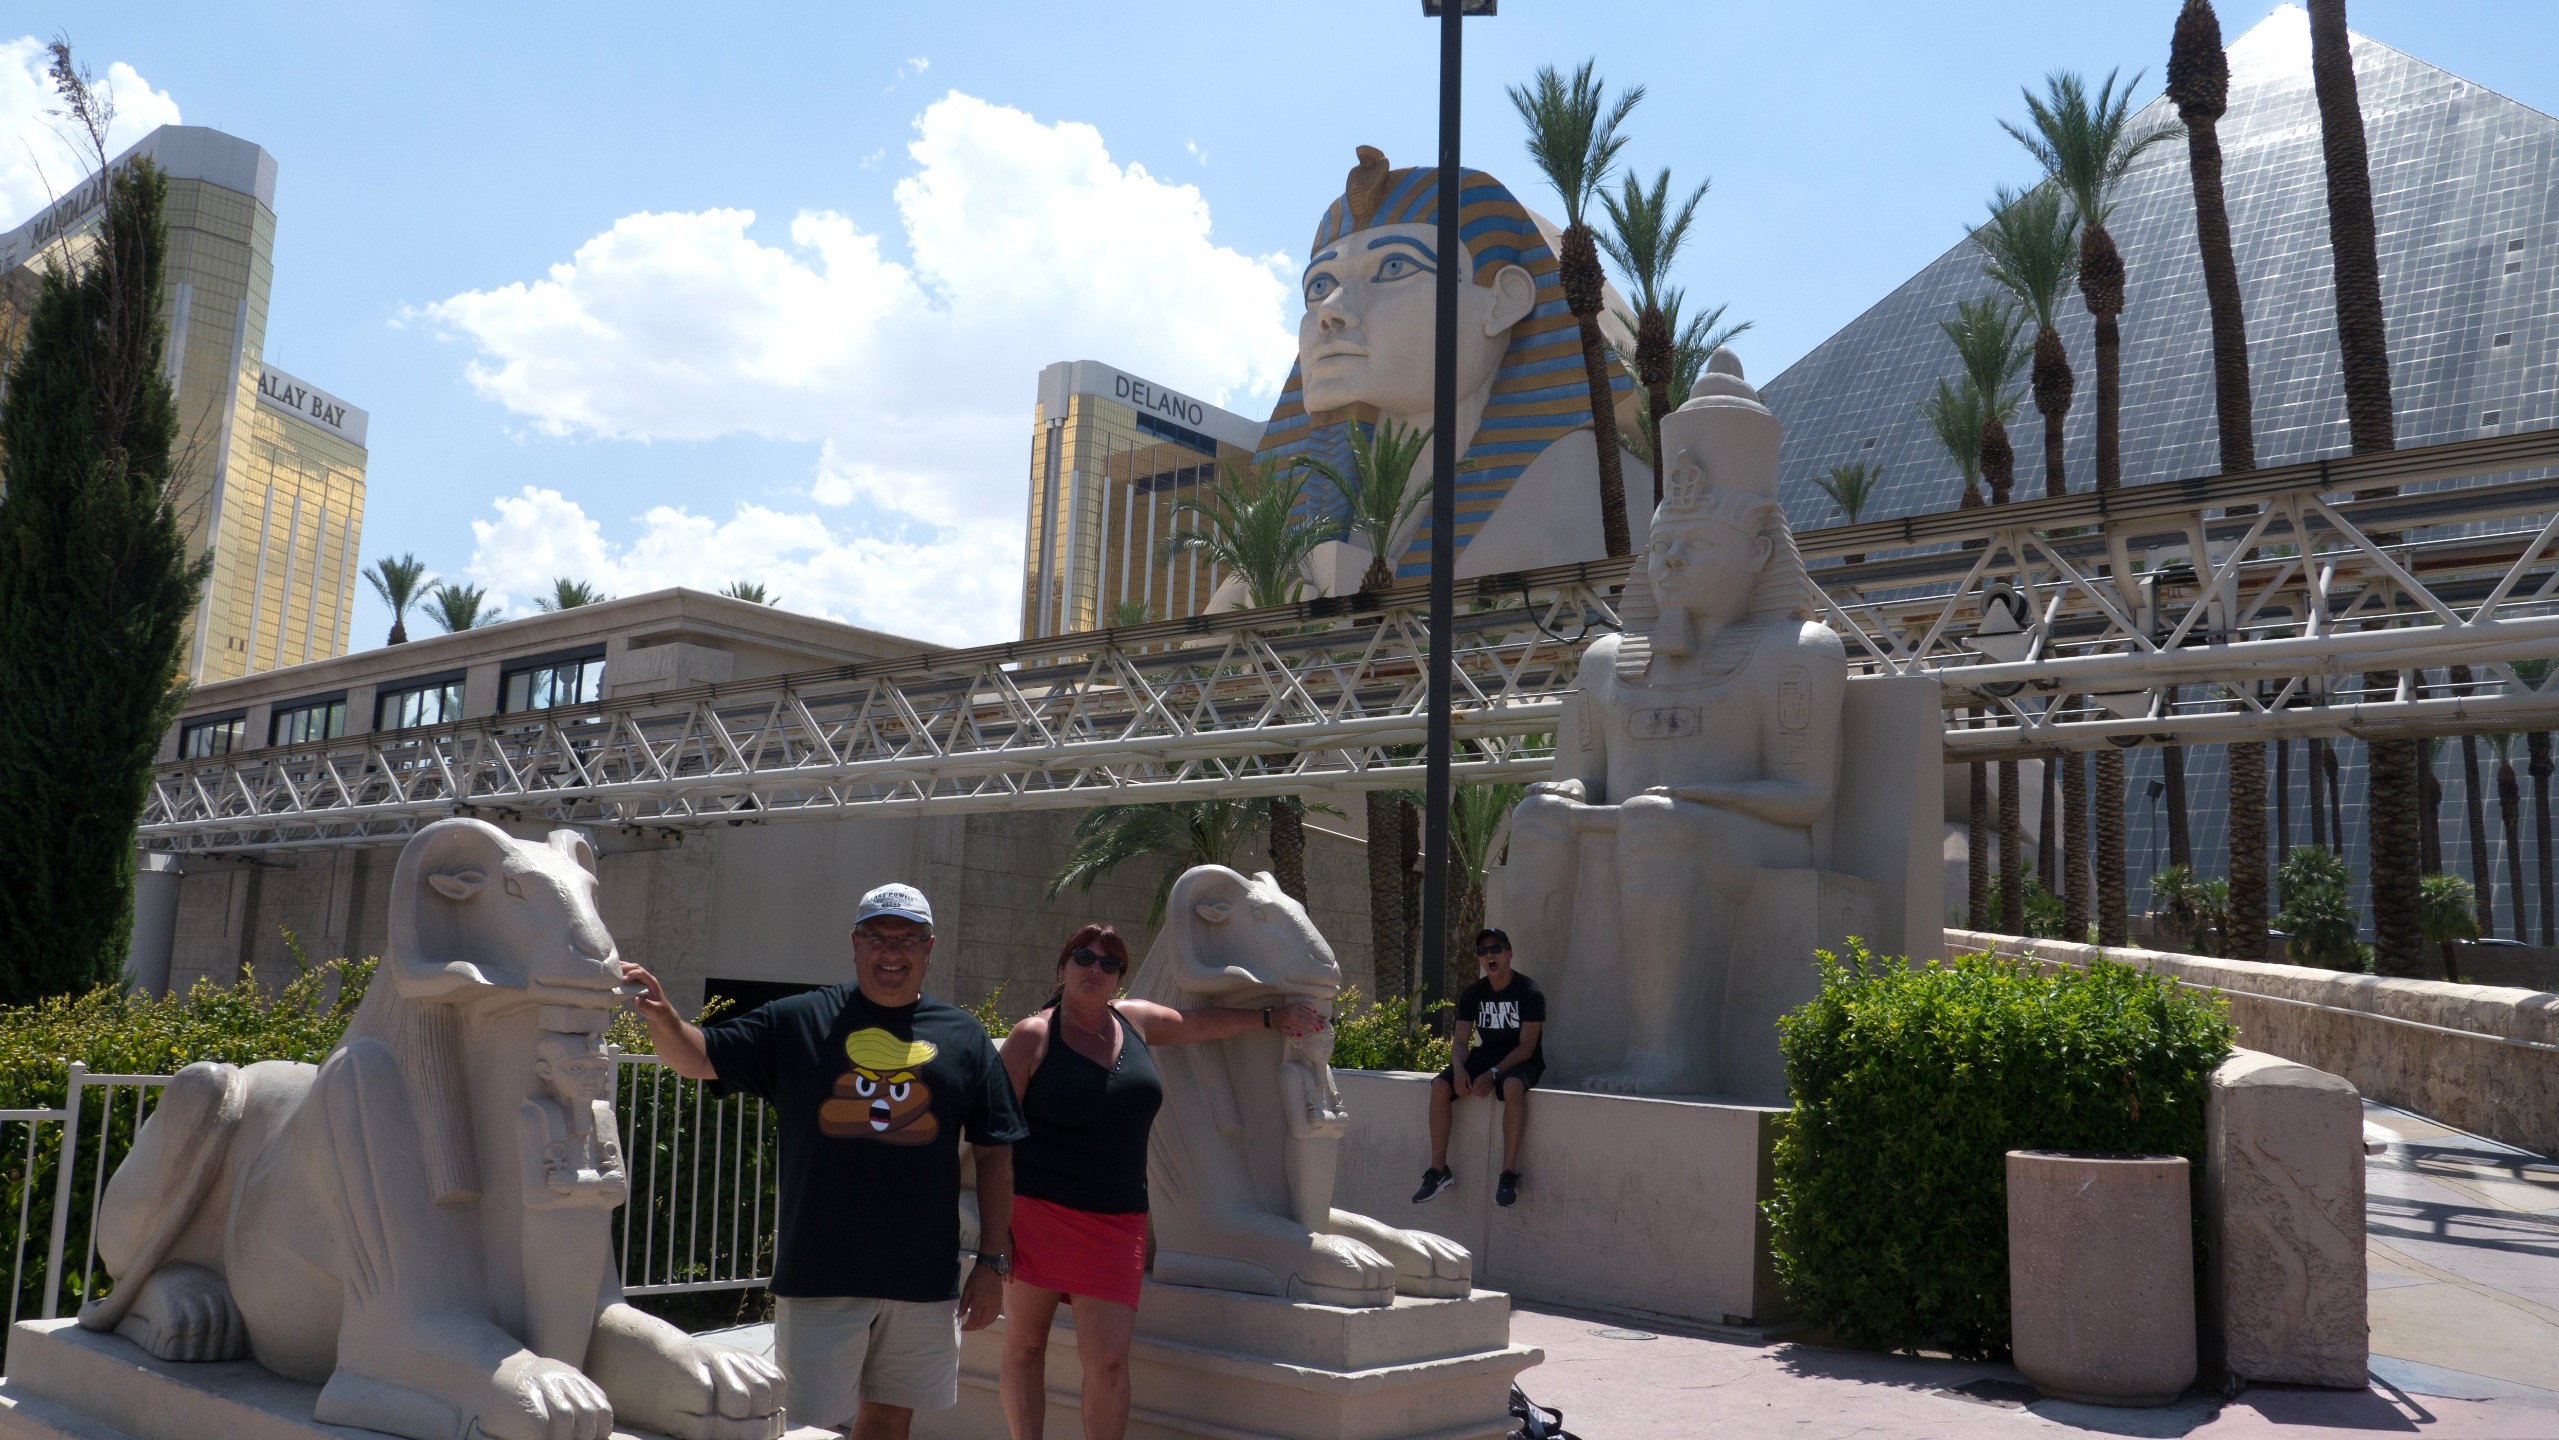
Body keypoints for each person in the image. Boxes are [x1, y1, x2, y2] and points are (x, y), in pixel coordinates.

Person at [621, 883, 1026, 1440]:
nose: (892, 951)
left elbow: (996, 1150)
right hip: (820, 1274)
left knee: (891, 1419)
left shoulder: (964, 1037)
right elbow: (700, 1058)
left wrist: (992, 1262)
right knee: (806, 1424)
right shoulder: (799, 1021)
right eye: (878, 936)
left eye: (907, 939)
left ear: (929, 948)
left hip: (924, 1278)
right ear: (855, 944)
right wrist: (663, 1016)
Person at [995, 923, 1326, 1440]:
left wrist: (1270, 1017)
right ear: (1064, 965)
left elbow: (1197, 1024)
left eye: (1109, 963)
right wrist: (997, 1227)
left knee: (1108, 1363)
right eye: (1084, 957)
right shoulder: (1032, 1036)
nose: (1095, 969)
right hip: (1038, 1215)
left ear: (1119, 977)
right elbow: (994, 1135)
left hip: (1118, 1220)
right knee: (1025, 1346)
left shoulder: (1135, 1021)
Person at [1413, 928, 1544, 1209]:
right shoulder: (1474, 993)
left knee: (1512, 1086)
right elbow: (1461, 1041)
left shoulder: (1530, 992)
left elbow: (1527, 1047)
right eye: (1483, 951)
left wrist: (1493, 1074)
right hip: (1485, 1056)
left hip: (1521, 1059)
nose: (1489, 955)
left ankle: (1508, 1175)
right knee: (1440, 1086)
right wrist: (1459, 1068)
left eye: (1495, 949)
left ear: (1509, 953)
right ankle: (1438, 1171)